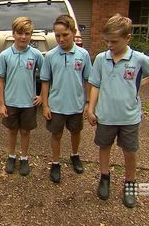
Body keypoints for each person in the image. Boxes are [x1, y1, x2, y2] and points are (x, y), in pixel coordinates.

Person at [86, 14, 149, 208]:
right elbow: (95, 84)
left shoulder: (138, 59)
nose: (109, 45)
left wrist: (145, 81)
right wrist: (91, 108)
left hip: (129, 117)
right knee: (104, 146)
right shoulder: (101, 58)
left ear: (128, 38)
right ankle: (105, 177)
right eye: (107, 40)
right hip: (106, 115)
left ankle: (130, 183)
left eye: (114, 41)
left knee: (129, 151)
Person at [40, 15, 92, 183]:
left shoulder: (83, 54)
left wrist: (88, 102)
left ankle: (74, 155)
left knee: (76, 132)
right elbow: (45, 81)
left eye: (65, 35)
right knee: (56, 134)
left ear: (74, 32)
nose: (61, 39)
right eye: (57, 35)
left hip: (76, 105)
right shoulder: (50, 56)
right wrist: (45, 105)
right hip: (56, 106)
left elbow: (88, 80)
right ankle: (55, 163)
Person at [0, 17, 44, 177]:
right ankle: (11, 156)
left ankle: (24, 157)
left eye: (27, 33)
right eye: (19, 33)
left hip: (28, 102)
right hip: (11, 102)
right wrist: (1, 104)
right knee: (12, 130)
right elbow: (0, 80)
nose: (23, 37)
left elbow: (45, 77)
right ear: (13, 34)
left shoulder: (36, 55)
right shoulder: (5, 55)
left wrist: (42, 96)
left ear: (31, 35)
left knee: (25, 131)